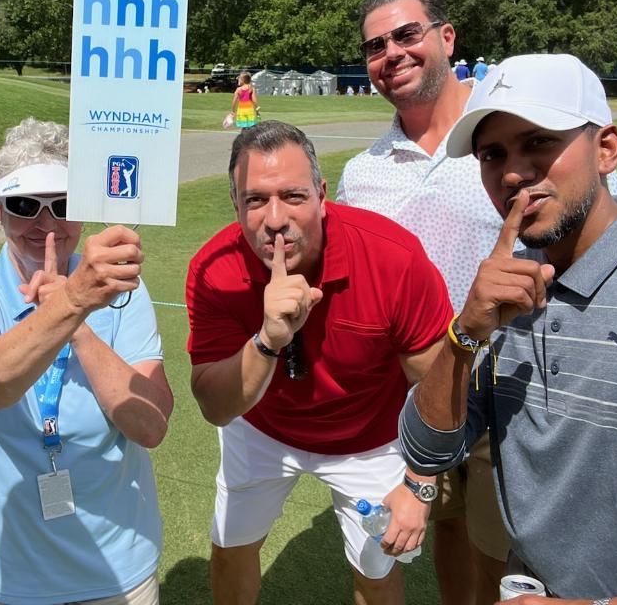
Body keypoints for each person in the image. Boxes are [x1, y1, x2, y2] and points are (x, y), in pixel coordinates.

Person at [401, 52, 617, 603]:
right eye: (492, 154)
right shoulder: (506, 286)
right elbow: (426, 451)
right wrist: (466, 333)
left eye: (539, 143)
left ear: (606, 150)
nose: (511, 174)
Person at [186, 120, 454, 605]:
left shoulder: (393, 257)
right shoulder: (214, 267)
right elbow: (216, 407)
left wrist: (421, 483)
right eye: (254, 200)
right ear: (235, 205)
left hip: (369, 439)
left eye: (292, 196)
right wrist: (268, 339)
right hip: (261, 429)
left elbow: (439, 382)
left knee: (376, 570)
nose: (274, 218)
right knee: (231, 549)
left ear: (322, 194)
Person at [0, 117, 173, 605]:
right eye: (24, 206)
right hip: (3, 571)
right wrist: (74, 302)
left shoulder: (122, 292)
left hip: (116, 568)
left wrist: (76, 316)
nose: (46, 224)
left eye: (63, 204)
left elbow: (149, 427)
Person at [339, 0, 513, 605]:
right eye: (375, 45)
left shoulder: (506, 135)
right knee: (450, 529)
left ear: (446, 37)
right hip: (423, 391)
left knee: (517, 548)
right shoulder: (363, 173)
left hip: (516, 384)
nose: (392, 53)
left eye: (407, 34)